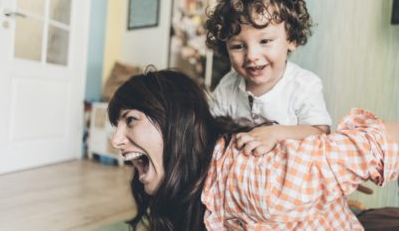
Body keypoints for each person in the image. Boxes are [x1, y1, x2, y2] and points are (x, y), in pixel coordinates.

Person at [108, 69, 399, 231]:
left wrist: (333, 173)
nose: (115, 140)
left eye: (130, 120)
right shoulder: (194, 181)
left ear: (175, 123)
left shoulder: (257, 178)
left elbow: (387, 138)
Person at [205, 0, 331, 155]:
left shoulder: (304, 85)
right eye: (238, 46)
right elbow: (208, 127)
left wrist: (276, 133)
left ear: (292, 39)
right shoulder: (228, 86)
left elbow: (320, 132)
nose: (251, 55)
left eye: (265, 41)